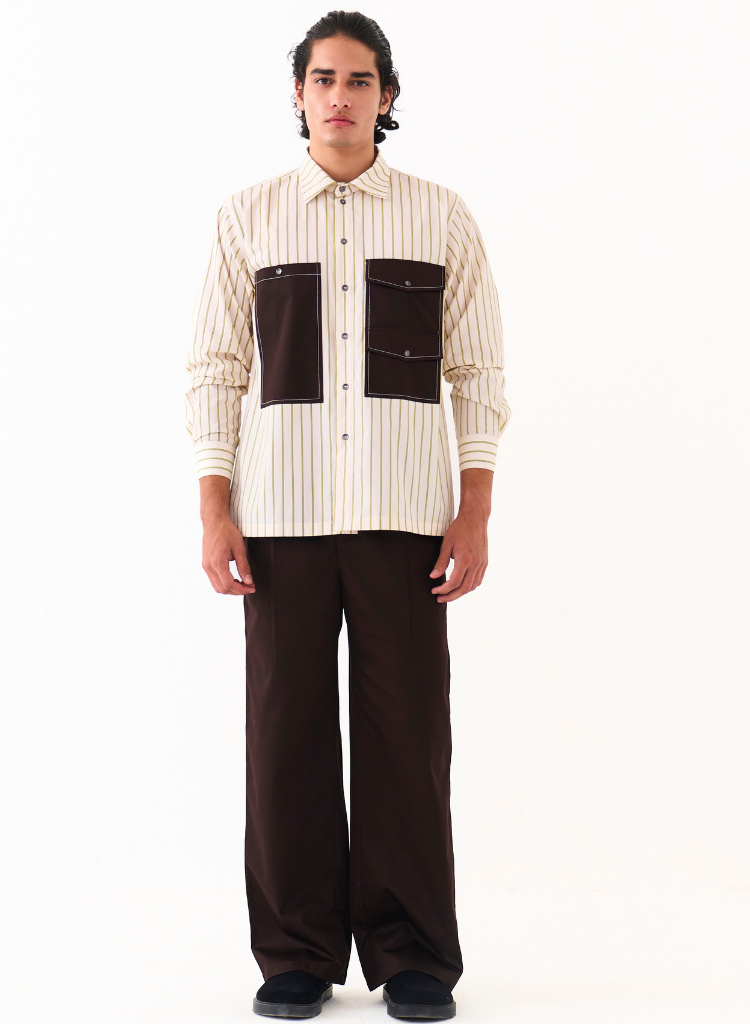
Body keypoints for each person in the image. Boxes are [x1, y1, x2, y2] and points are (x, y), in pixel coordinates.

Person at [185, 10, 510, 1020]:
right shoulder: (247, 217)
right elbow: (214, 370)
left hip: (404, 517)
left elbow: (479, 371)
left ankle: (414, 957)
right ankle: (296, 954)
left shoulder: (439, 216)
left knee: (406, 736)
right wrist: (215, 508)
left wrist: (474, 511)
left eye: (359, 79)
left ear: (387, 95)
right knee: (285, 736)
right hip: (279, 517)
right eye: (322, 78)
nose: (339, 95)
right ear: (298, 93)